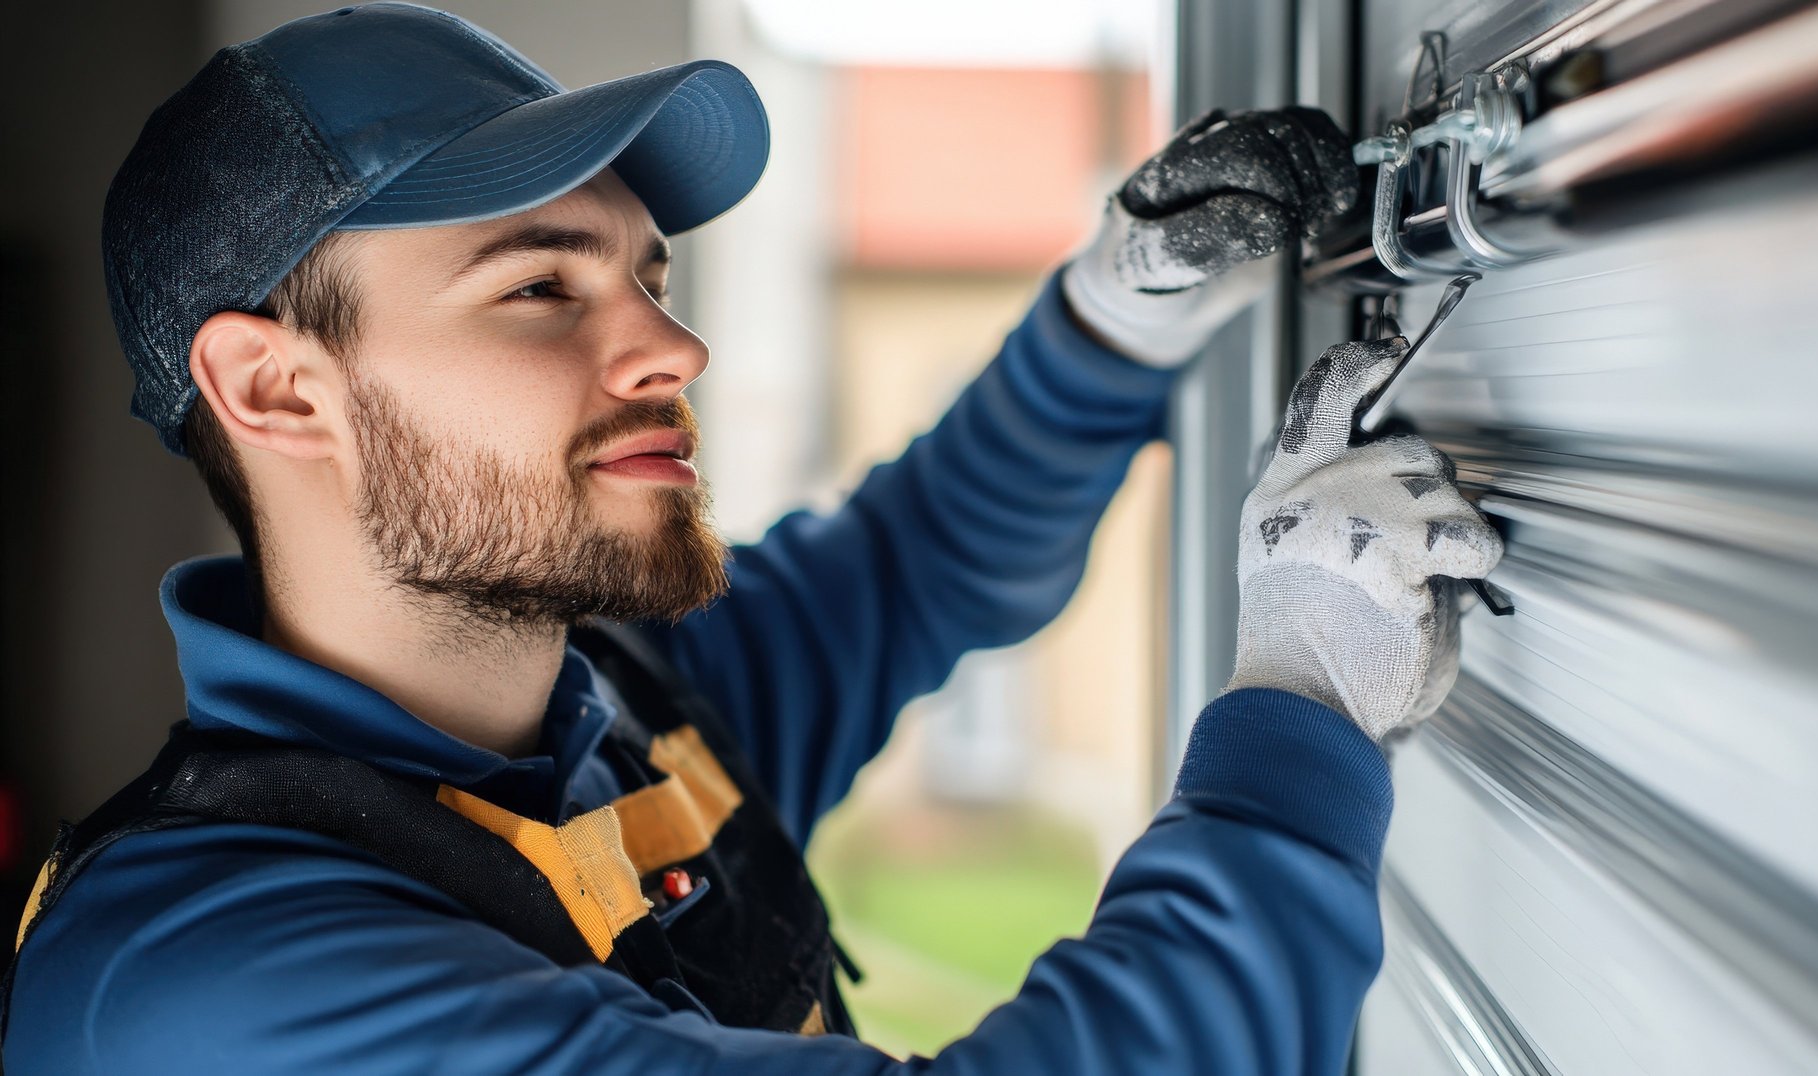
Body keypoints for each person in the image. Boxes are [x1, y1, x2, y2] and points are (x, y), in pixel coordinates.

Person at [3, 3, 1502, 1072]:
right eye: (542, 288)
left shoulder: (613, 717)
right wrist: (1299, 703)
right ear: (275, 388)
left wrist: (1117, 313)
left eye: (647, 274)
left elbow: (911, 565)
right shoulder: (204, 990)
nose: (672, 345)